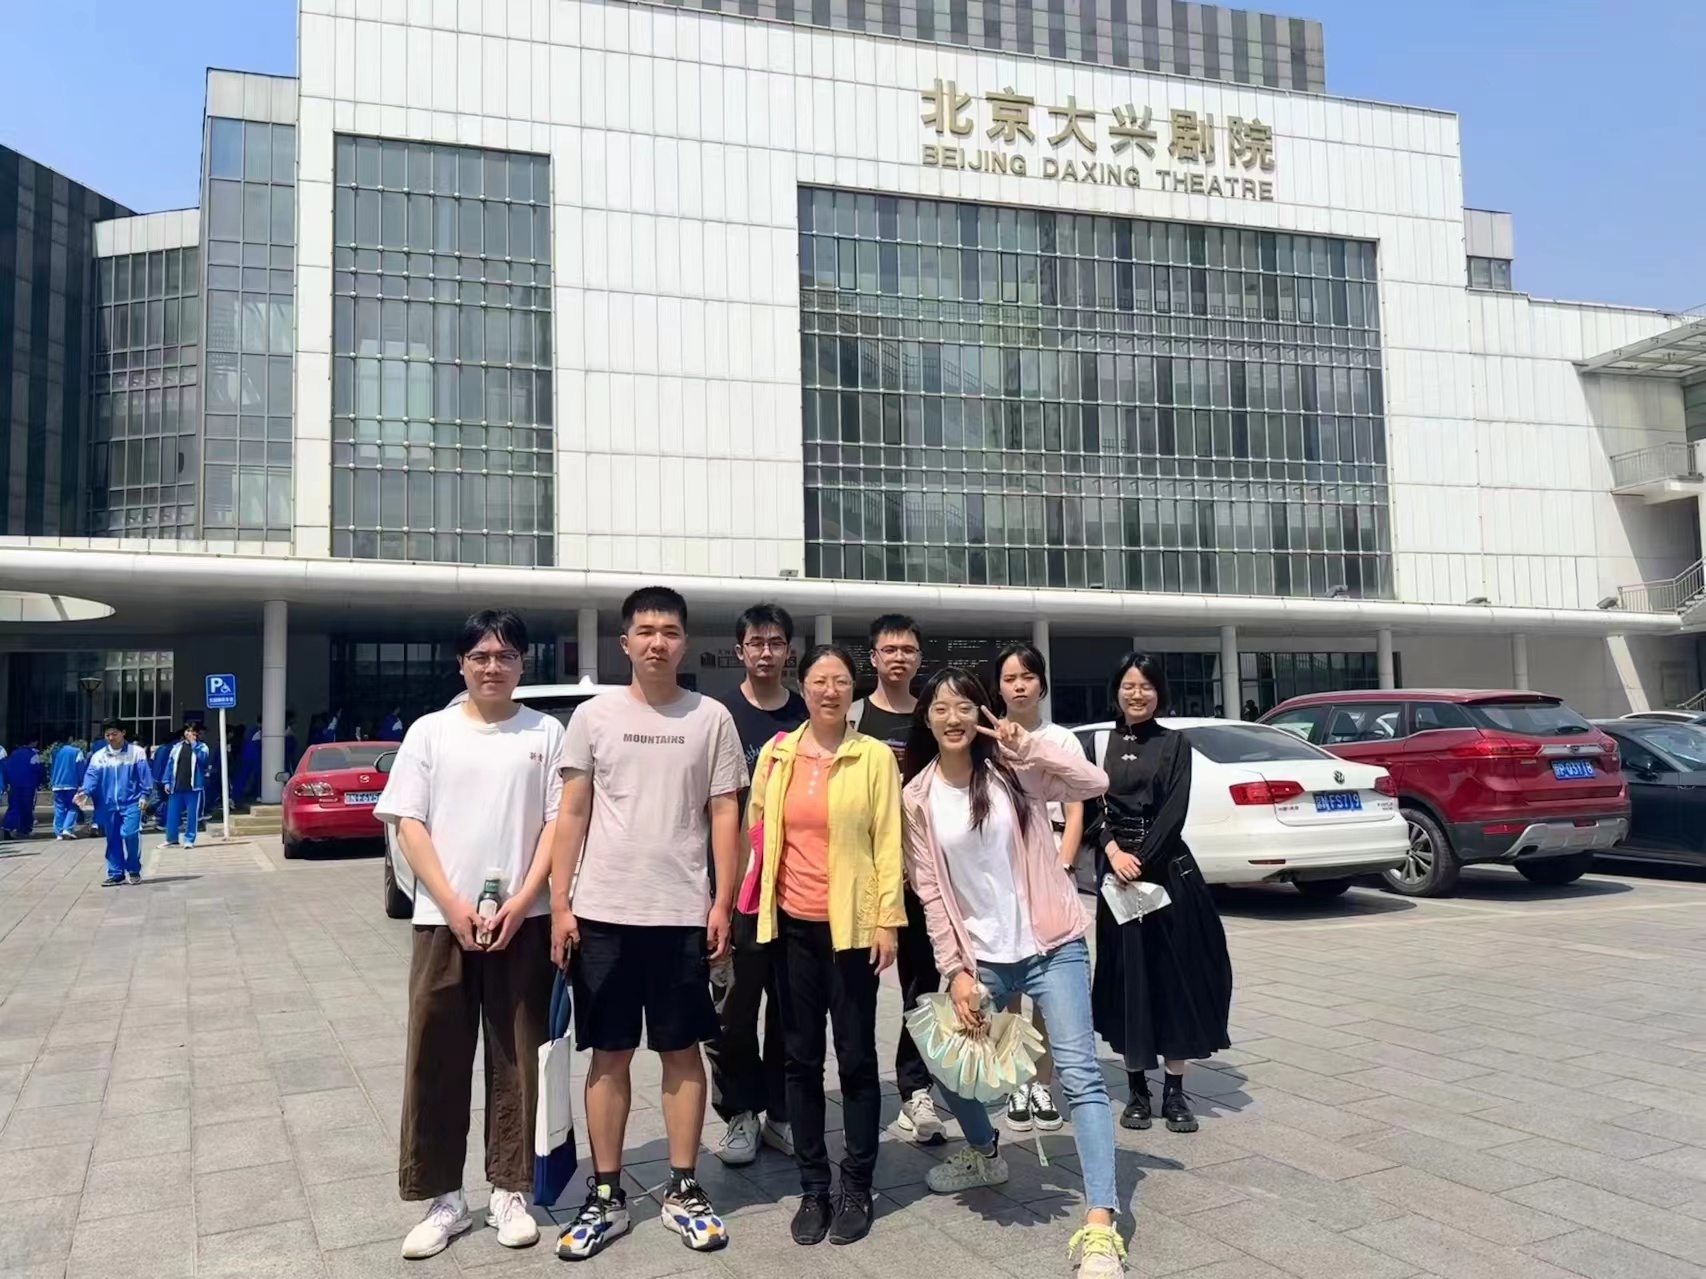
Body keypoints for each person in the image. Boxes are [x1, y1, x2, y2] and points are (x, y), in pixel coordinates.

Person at [900, 669, 1126, 1279]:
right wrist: (955, 971)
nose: (953, 718)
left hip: (1053, 944)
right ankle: (984, 1152)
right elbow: (929, 892)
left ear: (982, 714)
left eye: (964, 707)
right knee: (945, 1060)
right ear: (927, 718)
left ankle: (1100, 1221)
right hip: (981, 959)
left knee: (1080, 1074)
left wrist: (1028, 745)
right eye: (940, 708)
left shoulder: (1012, 767)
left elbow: (1094, 782)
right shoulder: (917, 796)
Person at [550, 587, 746, 1261]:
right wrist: (561, 902)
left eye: (669, 631)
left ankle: (684, 1188)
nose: (657, 642)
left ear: (684, 642)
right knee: (607, 1053)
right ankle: (606, 1194)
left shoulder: (710, 717)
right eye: (645, 630)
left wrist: (721, 902)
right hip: (603, 913)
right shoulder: (594, 716)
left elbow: (726, 812)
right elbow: (573, 811)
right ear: (625, 643)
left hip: (681, 913)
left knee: (681, 1051)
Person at [374, 609, 564, 1261]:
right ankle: (443, 1197)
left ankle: (511, 1189)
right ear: (460, 663)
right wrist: (453, 905)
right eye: (480, 655)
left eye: (505, 655)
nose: (492, 666)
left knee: (518, 1053)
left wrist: (525, 898)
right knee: (435, 1055)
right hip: (443, 922)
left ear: (523, 663)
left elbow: (557, 824)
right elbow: (409, 823)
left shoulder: (546, 732)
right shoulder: (430, 732)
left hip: (523, 921)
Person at [747, 644, 903, 1246]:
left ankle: (856, 1185)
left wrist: (888, 920)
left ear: (852, 689)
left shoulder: (872, 757)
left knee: (857, 1058)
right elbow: (758, 830)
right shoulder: (778, 754)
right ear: (803, 687)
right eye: (819, 680)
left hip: (853, 930)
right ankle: (813, 1186)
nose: (830, 690)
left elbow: (888, 840)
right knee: (800, 1058)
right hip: (791, 927)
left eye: (840, 681)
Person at [1090, 653, 1234, 1135]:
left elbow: (1174, 811)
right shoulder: (1098, 743)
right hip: (1117, 879)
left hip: (1167, 876)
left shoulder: (1175, 744)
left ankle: (1174, 1090)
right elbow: (1087, 806)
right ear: (1116, 690)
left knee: (1175, 979)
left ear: (1159, 692)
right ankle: (1136, 1089)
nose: (1137, 694)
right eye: (1129, 685)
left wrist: (1142, 860)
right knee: (1128, 980)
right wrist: (1114, 853)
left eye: (1146, 686)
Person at [708, 603, 806, 1168]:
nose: (766, 653)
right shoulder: (719, 716)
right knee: (735, 1011)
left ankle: (781, 1115)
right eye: (756, 643)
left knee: (791, 1009)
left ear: (789, 650)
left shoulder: (805, 713)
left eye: (775, 643)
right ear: (740, 650)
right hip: (739, 890)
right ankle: (739, 1113)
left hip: (796, 889)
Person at [847, 614, 943, 1144]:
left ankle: (915, 1087)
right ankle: (860, 1087)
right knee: (857, 986)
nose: (899, 658)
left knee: (922, 986)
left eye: (908, 649)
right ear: (874, 657)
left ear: (919, 658)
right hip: (864, 875)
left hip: (922, 874)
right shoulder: (855, 715)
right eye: (890, 649)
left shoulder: (932, 716)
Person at [989, 642, 1089, 1136]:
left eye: (1027, 677)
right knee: (1008, 990)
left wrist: (1063, 863)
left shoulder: (1061, 740)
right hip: (1002, 873)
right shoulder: (990, 740)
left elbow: (1076, 806)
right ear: (999, 687)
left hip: (1049, 868)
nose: (1019, 686)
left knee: (1050, 987)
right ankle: (1015, 1084)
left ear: (1042, 684)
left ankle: (1043, 1084)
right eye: (1010, 678)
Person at [76, 721, 157, 885]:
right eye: (108, 735)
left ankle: (133, 869)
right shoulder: (99, 756)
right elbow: (91, 776)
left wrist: (144, 795)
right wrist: (85, 792)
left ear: (123, 733)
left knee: (130, 834)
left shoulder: (137, 752)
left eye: (114, 734)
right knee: (112, 838)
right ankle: (116, 873)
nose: (111, 738)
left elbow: (144, 776)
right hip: (108, 804)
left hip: (132, 802)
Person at [162, 724, 211, 848]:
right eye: (187, 731)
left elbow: (203, 760)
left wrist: (194, 745)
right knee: (172, 814)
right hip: (176, 785)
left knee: (191, 815)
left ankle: (189, 839)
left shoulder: (202, 747)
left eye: (192, 731)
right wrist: (167, 781)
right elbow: (170, 765)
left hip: (193, 786)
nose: (189, 734)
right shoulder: (177, 747)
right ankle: (171, 838)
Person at [2, 736, 43, 838]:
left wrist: (7, 782)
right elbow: (38, 770)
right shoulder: (33, 755)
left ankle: (8, 826)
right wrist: (39, 783)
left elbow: (7, 768)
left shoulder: (14, 753)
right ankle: (25, 830)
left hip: (14, 785)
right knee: (27, 808)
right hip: (28, 785)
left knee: (14, 806)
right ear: (34, 742)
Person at [50, 738, 88, 839]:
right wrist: (81, 782)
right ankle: (67, 829)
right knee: (73, 806)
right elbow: (80, 768)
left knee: (59, 808)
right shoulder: (77, 752)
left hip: (57, 784)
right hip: (71, 783)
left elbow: (52, 767)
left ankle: (59, 832)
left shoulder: (55, 752)